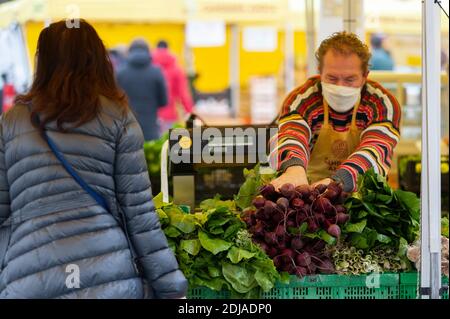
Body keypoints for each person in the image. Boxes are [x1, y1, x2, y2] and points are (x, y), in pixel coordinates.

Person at [0, 20, 187, 299]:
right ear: (96, 58)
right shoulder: (118, 118)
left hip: (29, 280)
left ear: (43, 62)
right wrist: (171, 286)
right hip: (108, 278)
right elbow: (138, 214)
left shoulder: (12, 122)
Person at [270, 31, 401, 193]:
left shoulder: (381, 104)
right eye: (332, 78)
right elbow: (292, 134)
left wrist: (339, 181)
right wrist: (294, 168)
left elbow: (376, 149)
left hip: (364, 199)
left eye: (349, 79)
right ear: (319, 71)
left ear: (365, 75)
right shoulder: (302, 100)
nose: (340, 86)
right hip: (308, 195)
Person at [117, 39, 167, 141]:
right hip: (151, 128)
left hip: (127, 129)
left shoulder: (120, 72)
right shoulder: (156, 72)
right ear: (148, 52)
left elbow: (114, 100)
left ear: (129, 52)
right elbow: (164, 101)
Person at [152, 40, 194, 134]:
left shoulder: (148, 67)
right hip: (169, 115)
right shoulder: (176, 69)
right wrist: (189, 111)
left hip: (151, 115)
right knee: (169, 144)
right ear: (168, 49)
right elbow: (183, 93)